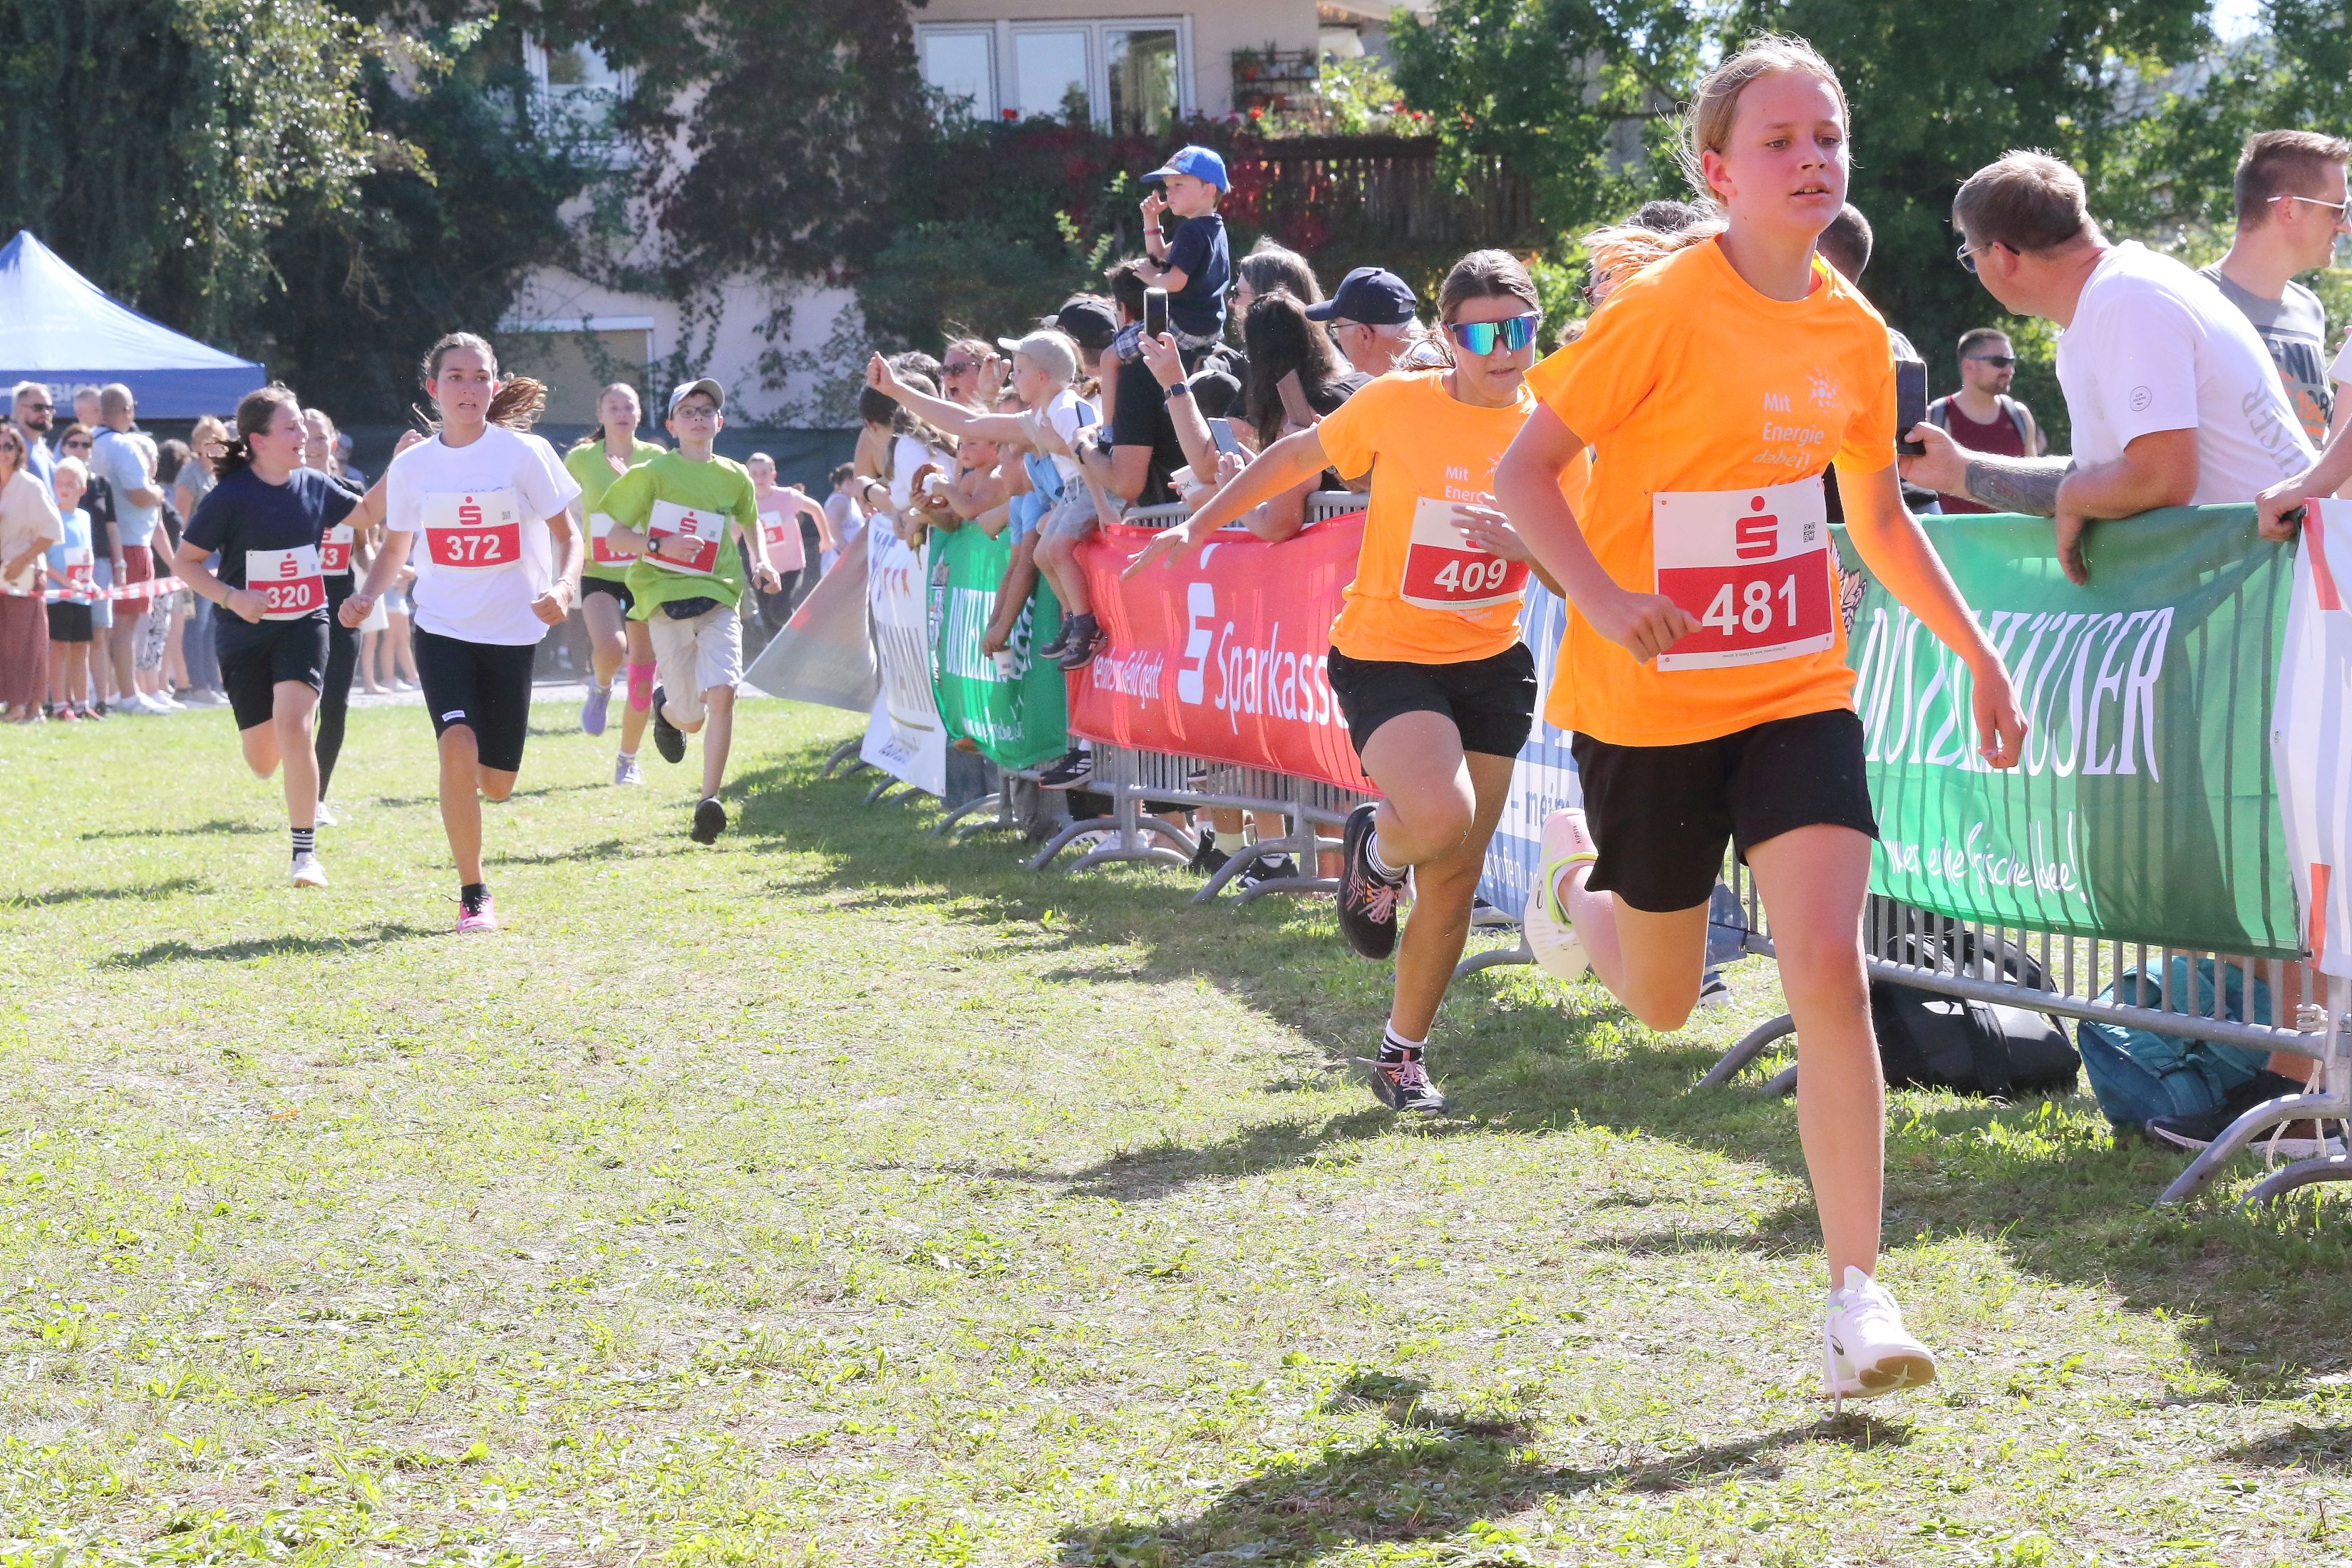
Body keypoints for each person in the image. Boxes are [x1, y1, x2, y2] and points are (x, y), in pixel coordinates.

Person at [1490, 36, 2028, 1405]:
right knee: (1667, 1000)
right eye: (1779, 141)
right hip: (1650, 702)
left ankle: (1858, 1297)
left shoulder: (1854, 333)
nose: (1811, 160)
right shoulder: (1662, 311)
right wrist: (1606, 596)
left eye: (1826, 137)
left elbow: (1878, 520)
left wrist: (1977, 655)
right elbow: (1525, 473)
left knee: (1826, 971)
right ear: (1719, 171)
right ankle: (1572, 892)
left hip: (1796, 688)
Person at [1129, 249, 1567, 1113]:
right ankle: (1377, 848)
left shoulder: (1553, 427)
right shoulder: (1401, 402)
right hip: (1387, 653)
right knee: (1438, 815)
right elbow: (1295, 457)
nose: (1505, 349)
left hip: (1492, 663)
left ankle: (1402, 1056)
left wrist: (1526, 546)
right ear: (1450, 337)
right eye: (1483, 334)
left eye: (1519, 329)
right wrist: (1198, 526)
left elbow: (1571, 571)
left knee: (1455, 873)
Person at [1903, 150, 2312, 582]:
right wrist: (1959, 471)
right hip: (2270, 571)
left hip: (2282, 583)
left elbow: (2160, 479)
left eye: (1971, 257)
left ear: (2002, 255)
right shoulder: (2120, 290)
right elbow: (2106, 478)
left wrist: (2076, 497)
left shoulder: (2125, 299)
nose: (1975, 269)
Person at [341, 334, 583, 932]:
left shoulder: (525, 455)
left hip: (513, 632)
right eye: (456, 377)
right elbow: (394, 546)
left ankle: (472, 779)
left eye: (480, 377)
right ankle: (473, 892)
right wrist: (368, 594)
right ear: (433, 388)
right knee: (456, 745)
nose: (468, 388)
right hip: (442, 627)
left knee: (496, 786)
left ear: (494, 386)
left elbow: (569, 536)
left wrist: (564, 587)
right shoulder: (413, 465)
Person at [175, 386, 379, 887]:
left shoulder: (316, 484)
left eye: (303, 426)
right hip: (244, 633)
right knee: (264, 759)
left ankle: (304, 855)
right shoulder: (230, 497)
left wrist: (407, 464)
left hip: (306, 622)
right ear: (259, 441)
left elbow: (368, 515)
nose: (303, 435)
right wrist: (231, 597)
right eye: (291, 428)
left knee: (295, 727)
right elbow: (186, 563)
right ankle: (270, 749)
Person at [597, 378, 779, 844]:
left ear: (720, 422)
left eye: (707, 411)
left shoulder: (735, 475)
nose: (699, 417)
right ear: (671, 425)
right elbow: (616, 537)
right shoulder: (653, 474)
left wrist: (762, 561)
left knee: (724, 691)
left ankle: (708, 802)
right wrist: (663, 545)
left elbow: (750, 521)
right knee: (691, 718)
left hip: (720, 595)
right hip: (664, 601)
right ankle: (665, 708)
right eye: (688, 411)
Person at [2200, 130, 2350, 445]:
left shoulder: (2309, 308)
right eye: (2338, 209)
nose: (2346, 226)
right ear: (2289, 209)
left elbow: (2315, 445)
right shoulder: (2194, 301)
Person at [562, 383, 664, 780]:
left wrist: (635, 486)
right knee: (610, 647)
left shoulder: (657, 458)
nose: (622, 413)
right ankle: (601, 687)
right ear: (600, 415)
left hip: (646, 574)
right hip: (599, 572)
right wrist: (573, 553)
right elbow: (563, 511)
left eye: (629, 407)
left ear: (639, 414)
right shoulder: (581, 458)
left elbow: (670, 510)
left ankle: (627, 761)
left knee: (643, 671)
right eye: (614, 407)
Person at [298, 406, 369, 824]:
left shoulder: (351, 491)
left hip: (342, 607)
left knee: (336, 704)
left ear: (334, 442)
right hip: (295, 610)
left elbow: (364, 549)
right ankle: (300, 785)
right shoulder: (281, 492)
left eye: (320, 437)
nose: (312, 445)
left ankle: (317, 797)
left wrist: (391, 571)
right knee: (298, 707)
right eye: (304, 436)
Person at [91, 385, 172, 714]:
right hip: (130, 545)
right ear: (127, 411)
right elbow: (139, 494)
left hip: (97, 544)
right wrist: (158, 494)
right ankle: (128, 695)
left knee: (106, 627)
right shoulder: (123, 446)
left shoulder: (89, 441)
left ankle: (111, 693)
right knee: (125, 626)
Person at [1924, 328, 2046, 515]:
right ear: (1969, 366)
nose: (2009, 370)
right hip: (1954, 533)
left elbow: (2033, 486)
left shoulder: (2019, 416)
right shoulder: (1936, 417)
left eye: (2011, 362)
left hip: (2012, 533)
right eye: (1999, 362)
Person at [1135, 145, 1230, 351]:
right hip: (1211, 330)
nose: (1169, 192)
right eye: (1167, 186)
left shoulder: (1191, 230)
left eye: (1178, 184)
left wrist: (1152, 279)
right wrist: (1151, 219)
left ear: (1208, 190)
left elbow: (1175, 282)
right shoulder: (1213, 226)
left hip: (1184, 327)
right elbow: (1159, 257)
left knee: (1112, 353)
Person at [0, 423, 62, 721]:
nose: (2, 452)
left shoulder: (29, 485)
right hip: (1, 570)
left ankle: (24, 705)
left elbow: (52, 530)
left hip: (24, 570)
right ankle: (20, 706)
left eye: (8, 446)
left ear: (18, 451)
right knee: (5, 641)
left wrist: (23, 559)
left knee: (24, 641)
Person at [1307, 267, 1446, 378]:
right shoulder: (1431, 364)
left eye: (1337, 329)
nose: (1338, 340)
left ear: (1364, 335)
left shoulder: (1415, 382)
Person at [746, 453, 832, 630]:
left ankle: (802, 636)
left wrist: (825, 538)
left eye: (764, 473)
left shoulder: (787, 497)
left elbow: (815, 508)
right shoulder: (745, 503)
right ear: (747, 476)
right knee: (769, 621)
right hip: (762, 569)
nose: (759, 478)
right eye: (754, 473)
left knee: (780, 611)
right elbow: (734, 530)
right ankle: (777, 647)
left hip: (790, 567)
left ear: (773, 475)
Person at [44, 456, 98, 718]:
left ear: (82, 488)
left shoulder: (85, 517)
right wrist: (65, 581)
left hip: (81, 596)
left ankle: (82, 704)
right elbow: (42, 558)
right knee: (60, 648)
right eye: (59, 483)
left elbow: (85, 555)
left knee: (81, 648)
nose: (64, 488)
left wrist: (91, 582)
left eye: (70, 483)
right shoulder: (51, 516)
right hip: (58, 596)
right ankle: (59, 705)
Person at [10, 382, 55, 486]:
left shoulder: (42, 446)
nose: (46, 413)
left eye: (49, 408)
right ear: (20, 410)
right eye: (38, 407)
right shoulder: (10, 446)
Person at [820, 462, 861, 574]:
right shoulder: (839, 501)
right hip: (840, 565)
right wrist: (848, 553)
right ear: (848, 482)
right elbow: (831, 523)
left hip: (850, 564)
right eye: (859, 481)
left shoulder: (850, 500)